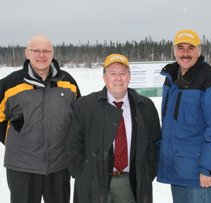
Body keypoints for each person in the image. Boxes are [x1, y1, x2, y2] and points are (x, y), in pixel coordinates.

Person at [67, 53, 161, 203]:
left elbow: (155, 143)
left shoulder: (145, 106)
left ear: (129, 77)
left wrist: (147, 173)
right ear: (104, 78)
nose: (118, 78)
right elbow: (73, 143)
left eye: (123, 73)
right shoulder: (85, 105)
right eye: (112, 73)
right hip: (94, 182)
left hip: (131, 183)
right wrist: (81, 173)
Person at [157, 29, 211, 203]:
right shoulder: (171, 77)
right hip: (177, 170)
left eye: (190, 48)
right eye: (180, 48)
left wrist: (209, 168)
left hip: (199, 174)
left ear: (199, 50)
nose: (185, 53)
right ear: (174, 50)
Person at [0, 35, 80, 203]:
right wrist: (16, 136)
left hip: (59, 165)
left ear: (53, 53)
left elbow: (79, 119)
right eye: (36, 50)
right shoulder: (10, 84)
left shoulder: (68, 82)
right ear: (27, 53)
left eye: (46, 51)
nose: (41, 55)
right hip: (22, 166)